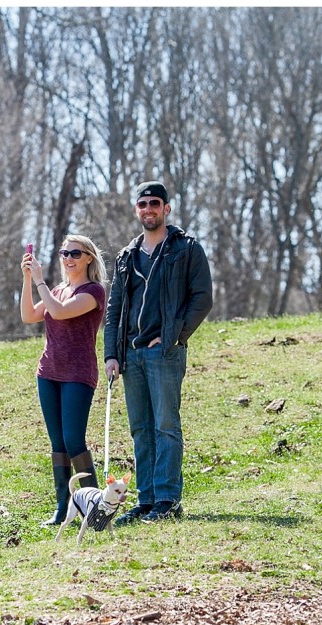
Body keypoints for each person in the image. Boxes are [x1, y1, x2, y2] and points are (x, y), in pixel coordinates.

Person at [104, 181, 213, 525]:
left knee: (166, 425)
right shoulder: (126, 257)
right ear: (136, 210)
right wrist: (111, 354)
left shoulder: (186, 249)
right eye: (142, 204)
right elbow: (115, 308)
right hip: (131, 356)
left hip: (164, 353)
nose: (148, 209)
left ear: (166, 208)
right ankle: (147, 500)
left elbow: (202, 298)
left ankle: (168, 499)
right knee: (141, 428)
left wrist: (173, 337)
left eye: (154, 203)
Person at [21, 234, 108, 528]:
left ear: (89, 258)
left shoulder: (93, 292)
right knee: (57, 443)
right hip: (48, 374)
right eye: (64, 253)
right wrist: (27, 280)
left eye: (75, 253)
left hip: (78, 375)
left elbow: (58, 312)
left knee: (74, 440)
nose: (68, 258)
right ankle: (62, 508)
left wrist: (39, 282)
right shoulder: (56, 290)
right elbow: (29, 315)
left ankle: (97, 506)